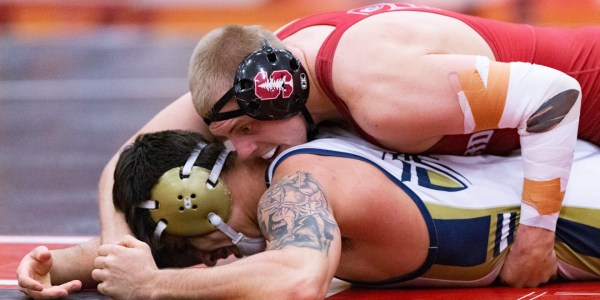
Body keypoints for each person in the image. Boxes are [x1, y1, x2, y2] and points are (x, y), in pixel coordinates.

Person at [95, 2, 600, 287]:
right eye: (232, 137)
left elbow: (556, 95)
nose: (243, 151)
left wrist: (535, 240)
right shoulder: (257, 72)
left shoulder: (380, 91)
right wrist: (118, 251)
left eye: (248, 131)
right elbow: (127, 160)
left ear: (281, 94)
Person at [19, 129, 600, 299]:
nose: (203, 261)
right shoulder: (288, 167)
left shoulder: (296, 189)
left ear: (189, 201)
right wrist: (54, 266)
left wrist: (154, 285)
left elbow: (298, 279)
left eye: (180, 247)